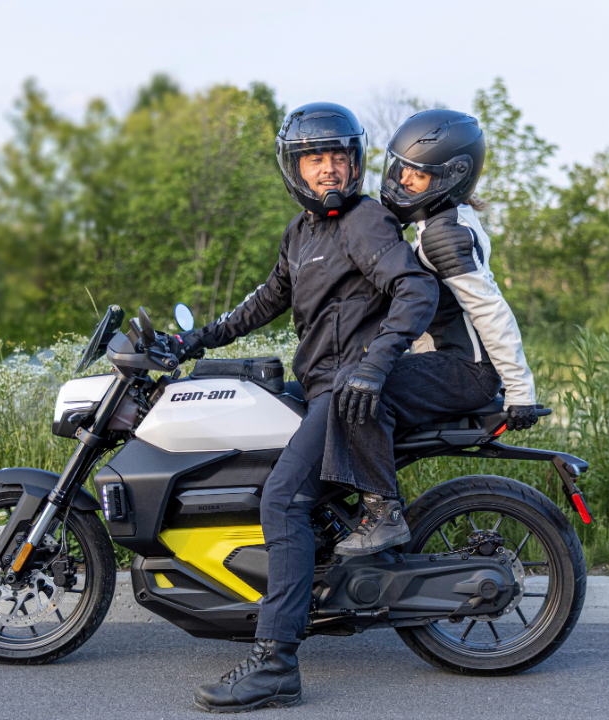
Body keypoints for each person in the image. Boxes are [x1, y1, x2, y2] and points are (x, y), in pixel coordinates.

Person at [174, 102, 437, 713]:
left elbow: (414, 288)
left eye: (338, 158)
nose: (328, 170)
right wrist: (197, 338)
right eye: (315, 159)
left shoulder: (364, 222)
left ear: (355, 163)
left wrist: (376, 361)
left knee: (284, 499)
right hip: (321, 386)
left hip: (347, 388)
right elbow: (265, 301)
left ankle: (276, 663)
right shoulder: (302, 233)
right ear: (295, 167)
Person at [322, 108, 541, 556]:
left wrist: (521, 391)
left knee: (361, 389)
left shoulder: (444, 235)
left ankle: (383, 515)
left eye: (415, 177)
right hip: (447, 362)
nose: (400, 181)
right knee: (354, 380)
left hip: (466, 370)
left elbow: (490, 311)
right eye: (399, 169)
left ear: (451, 177)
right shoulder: (437, 223)